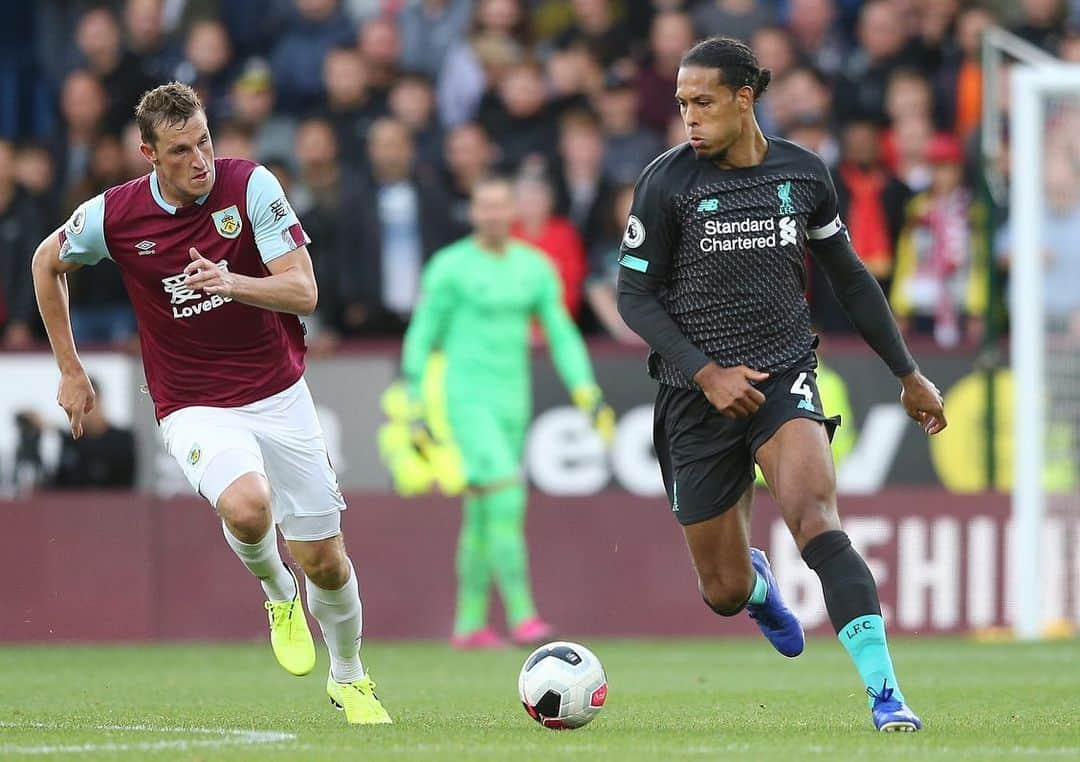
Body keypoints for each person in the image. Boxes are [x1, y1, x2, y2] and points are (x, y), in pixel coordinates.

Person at [30, 82, 390, 725]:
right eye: (180, 150)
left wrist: (233, 282)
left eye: (204, 142)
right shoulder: (114, 216)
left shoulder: (250, 186)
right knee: (249, 509)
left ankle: (350, 676)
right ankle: (278, 591)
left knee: (327, 561)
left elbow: (304, 290)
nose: (199, 160)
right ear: (148, 154)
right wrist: (70, 367)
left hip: (279, 395)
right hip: (192, 401)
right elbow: (45, 261)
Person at [615, 37, 946, 733]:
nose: (689, 119)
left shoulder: (802, 174)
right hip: (695, 392)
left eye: (702, 102)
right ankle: (760, 585)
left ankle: (887, 695)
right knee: (724, 592)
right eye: (681, 105)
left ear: (745, 98)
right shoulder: (666, 183)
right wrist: (706, 373)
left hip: (783, 374)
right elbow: (634, 297)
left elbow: (850, 277)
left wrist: (907, 373)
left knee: (818, 520)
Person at [401, 175, 614, 649]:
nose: (494, 215)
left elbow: (560, 332)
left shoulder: (533, 268)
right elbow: (421, 334)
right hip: (467, 399)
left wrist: (586, 392)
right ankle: (524, 616)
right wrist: (415, 402)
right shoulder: (450, 268)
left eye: (502, 206)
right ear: (473, 213)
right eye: (485, 206)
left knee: (482, 513)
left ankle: (469, 623)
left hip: (512, 402)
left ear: (512, 211)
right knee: (507, 497)